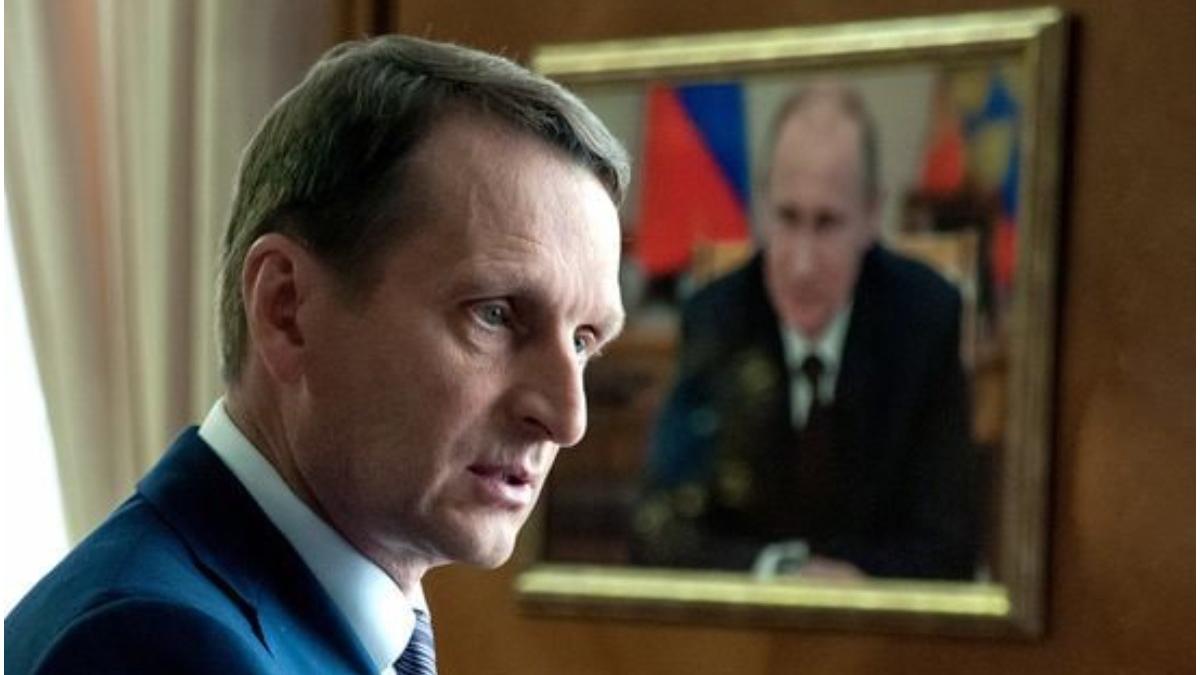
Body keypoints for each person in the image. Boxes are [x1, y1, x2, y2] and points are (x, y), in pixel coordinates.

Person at [6, 35, 628, 674]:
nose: (566, 418)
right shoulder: (161, 645)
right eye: (494, 315)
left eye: (583, 340)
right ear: (287, 308)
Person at [631, 83, 978, 580]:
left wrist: (853, 585)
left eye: (827, 223)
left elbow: (951, 546)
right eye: (787, 218)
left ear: (871, 216)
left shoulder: (925, 318)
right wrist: (778, 571)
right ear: (761, 206)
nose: (802, 264)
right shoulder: (717, 317)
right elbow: (658, 530)